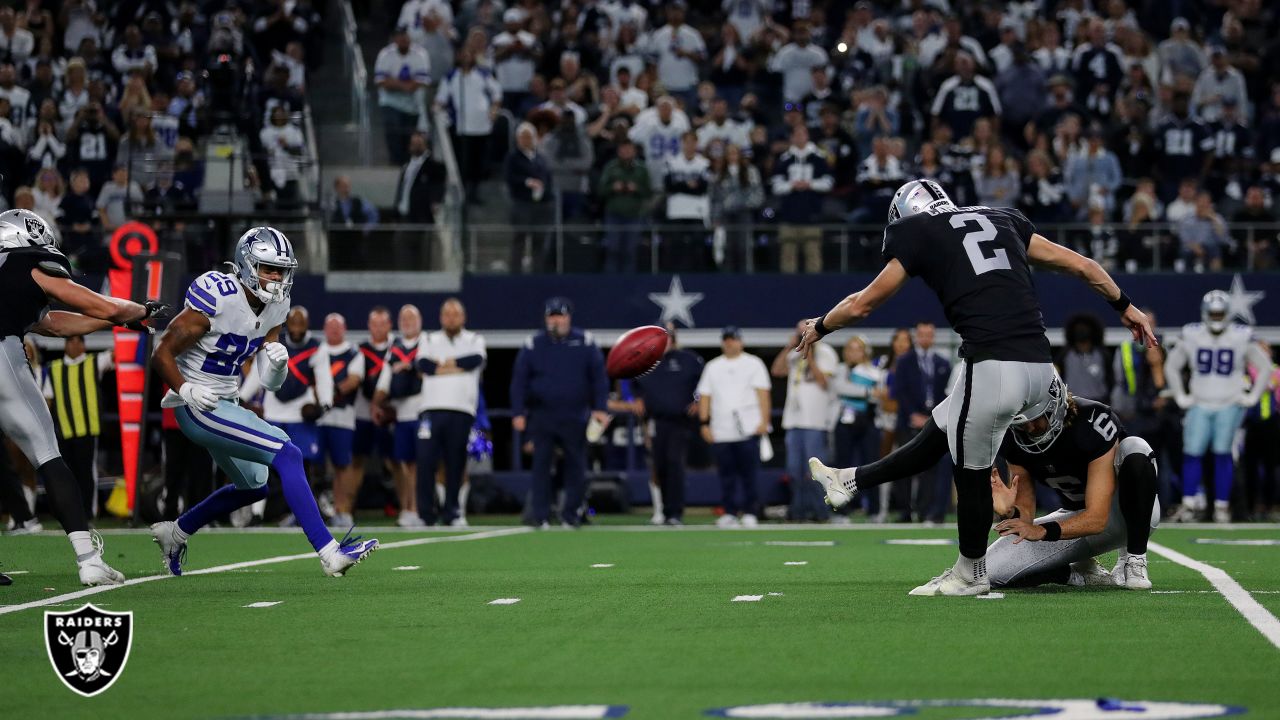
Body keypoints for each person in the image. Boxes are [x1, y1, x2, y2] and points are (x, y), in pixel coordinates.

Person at [800, 179, 1156, 596]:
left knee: (967, 467)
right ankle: (851, 480)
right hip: (1042, 369)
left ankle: (970, 573)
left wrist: (820, 325)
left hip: (991, 362)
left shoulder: (918, 230)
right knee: (945, 423)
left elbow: (863, 303)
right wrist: (1125, 306)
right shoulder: (1003, 218)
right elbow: (1083, 266)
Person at [149, 227, 377, 577]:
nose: (276, 278)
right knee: (288, 454)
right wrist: (185, 388)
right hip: (197, 403)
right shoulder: (218, 296)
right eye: (268, 269)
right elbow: (161, 353)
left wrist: (277, 363)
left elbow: (271, 382)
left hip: (225, 399)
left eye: (281, 271)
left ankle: (175, 532)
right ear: (245, 265)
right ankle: (330, 553)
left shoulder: (277, 306)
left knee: (255, 486)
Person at [0, 208, 161, 585]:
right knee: (48, 455)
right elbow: (90, 302)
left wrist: (117, 320)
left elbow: (52, 323)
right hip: (2, 358)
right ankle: (88, 559)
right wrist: (136, 309)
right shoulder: (31, 260)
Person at [987, 375, 1160, 590]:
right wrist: (1008, 511)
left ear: (1056, 405)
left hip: (1125, 515)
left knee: (1135, 448)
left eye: (1036, 418)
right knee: (990, 572)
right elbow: (1026, 517)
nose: (1030, 428)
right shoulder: (1014, 436)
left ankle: (1135, 557)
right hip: (1075, 518)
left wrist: (1043, 532)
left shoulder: (1092, 421)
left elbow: (1097, 519)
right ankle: (1077, 574)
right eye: (1022, 422)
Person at [1165, 291, 1269, 523]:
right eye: (1213, 313)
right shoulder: (1192, 334)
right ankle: (1189, 504)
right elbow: (1172, 365)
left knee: (1223, 453)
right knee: (1192, 453)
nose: (1216, 317)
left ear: (1229, 313)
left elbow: (1265, 367)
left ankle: (1222, 506)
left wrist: (1252, 397)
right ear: (1204, 313)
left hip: (1228, 403)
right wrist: (1181, 395)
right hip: (1200, 402)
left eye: (1220, 313)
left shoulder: (1241, 336)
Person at [510, 297, 609, 528]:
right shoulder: (533, 344)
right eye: (551, 316)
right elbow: (519, 382)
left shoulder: (584, 341)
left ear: (568, 317)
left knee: (576, 466)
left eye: (560, 316)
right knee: (541, 466)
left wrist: (600, 408)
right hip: (542, 415)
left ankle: (571, 514)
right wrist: (518, 412)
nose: (556, 320)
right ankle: (540, 515)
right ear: (546, 319)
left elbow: (599, 379)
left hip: (575, 415)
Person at [415, 299, 486, 527]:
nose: (451, 318)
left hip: (461, 409)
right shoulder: (428, 338)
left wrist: (444, 365)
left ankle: (452, 512)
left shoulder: (474, 339)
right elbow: (424, 365)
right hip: (431, 409)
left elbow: (475, 360)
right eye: (447, 314)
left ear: (463, 317)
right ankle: (425, 514)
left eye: (456, 314)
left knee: (456, 462)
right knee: (426, 462)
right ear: (441, 317)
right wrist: (456, 367)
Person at [698, 326, 771, 528]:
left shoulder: (753, 364)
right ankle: (729, 512)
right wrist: (704, 423)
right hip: (721, 430)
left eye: (733, 339)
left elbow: (763, 393)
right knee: (726, 475)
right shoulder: (713, 366)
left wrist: (764, 421)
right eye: (727, 339)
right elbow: (705, 396)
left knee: (750, 474)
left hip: (748, 428)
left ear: (741, 342)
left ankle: (750, 512)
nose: (730, 343)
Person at [633, 323, 702, 526]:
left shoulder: (689, 360)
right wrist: (635, 398)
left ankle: (675, 513)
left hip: (680, 422)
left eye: (668, 336)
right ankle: (661, 512)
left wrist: (699, 401)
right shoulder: (645, 361)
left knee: (674, 464)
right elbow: (630, 383)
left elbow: (705, 383)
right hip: (655, 421)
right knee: (658, 466)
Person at [41, 334, 113, 519]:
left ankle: (88, 513)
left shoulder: (93, 362)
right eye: (69, 341)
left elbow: (116, 354)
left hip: (88, 430)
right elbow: (47, 401)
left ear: (83, 344)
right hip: (64, 430)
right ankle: (71, 513)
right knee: (68, 475)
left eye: (77, 341)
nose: (73, 345)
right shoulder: (54, 369)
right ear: (65, 345)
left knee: (86, 473)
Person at [372, 304, 431, 526]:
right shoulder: (395, 347)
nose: (407, 322)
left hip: (423, 410)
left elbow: (429, 369)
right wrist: (376, 404)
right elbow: (384, 381)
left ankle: (423, 508)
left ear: (420, 321)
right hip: (402, 413)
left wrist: (410, 366)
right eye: (403, 319)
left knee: (423, 463)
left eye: (411, 318)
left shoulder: (427, 342)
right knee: (404, 464)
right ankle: (408, 508)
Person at [772, 321, 837, 522]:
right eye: (799, 333)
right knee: (794, 471)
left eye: (805, 332)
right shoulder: (795, 352)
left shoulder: (826, 353)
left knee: (815, 473)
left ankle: (821, 513)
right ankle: (798, 513)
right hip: (793, 421)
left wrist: (811, 352)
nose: (803, 335)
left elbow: (823, 381)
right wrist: (789, 347)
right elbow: (777, 370)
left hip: (815, 421)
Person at [889, 321, 952, 524]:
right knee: (904, 464)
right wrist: (912, 414)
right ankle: (905, 510)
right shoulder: (905, 361)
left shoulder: (943, 363)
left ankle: (925, 509)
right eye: (922, 334)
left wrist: (933, 416)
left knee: (930, 466)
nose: (925, 338)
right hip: (908, 420)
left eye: (929, 335)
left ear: (933, 337)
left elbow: (946, 394)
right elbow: (900, 391)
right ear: (917, 336)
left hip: (932, 420)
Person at [829, 335, 886, 521]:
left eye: (857, 349)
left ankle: (874, 511)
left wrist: (871, 393)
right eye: (850, 349)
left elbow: (882, 396)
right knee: (841, 467)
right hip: (844, 424)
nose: (853, 353)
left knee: (872, 466)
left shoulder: (874, 371)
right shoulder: (840, 369)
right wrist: (867, 391)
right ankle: (841, 511)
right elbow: (840, 388)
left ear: (864, 352)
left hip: (868, 422)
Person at [317, 313, 364, 529]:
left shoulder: (353, 352)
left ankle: (343, 510)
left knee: (342, 465)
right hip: (318, 419)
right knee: (315, 467)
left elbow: (353, 381)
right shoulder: (318, 352)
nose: (334, 330)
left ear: (344, 329)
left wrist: (328, 394)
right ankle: (315, 512)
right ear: (325, 330)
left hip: (342, 418)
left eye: (338, 327)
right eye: (330, 327)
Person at [351, 306, 395, 519]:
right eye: (374, 324)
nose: (378, 328)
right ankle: (349, 506)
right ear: (369, 326)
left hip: (390, 412)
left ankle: (395, 502)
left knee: (393, 460)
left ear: (389, 325)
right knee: (357, 459)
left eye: (382, 323)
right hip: (364, 412)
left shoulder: (397, 348)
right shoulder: (359, 350)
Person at [771, 124, 833, 274]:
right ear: (792, 138)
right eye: (796, 134)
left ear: (807, 136)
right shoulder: (784, 159)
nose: (800, 137)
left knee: (813, 258)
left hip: (812, 215)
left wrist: (809, 184)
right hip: (788, 216)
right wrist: (792, 185)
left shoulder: (818, 158)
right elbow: (776, 185)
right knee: (787, 259)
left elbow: (828, 183)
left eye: (802, 134)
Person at [374, 26, 431, 165]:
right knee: (393, 132)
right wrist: (405, 85)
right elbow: (381, 81)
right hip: (390, 102)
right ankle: (394, 163)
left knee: (409, 138)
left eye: (405, 36)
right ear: (394, 39)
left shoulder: (420, 54)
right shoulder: (385, 54)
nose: (403, 39)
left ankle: (407, 165)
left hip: (413, 105)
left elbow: (421, 82)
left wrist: (394, 82)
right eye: (400, 36)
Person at [505, 122, 554, 274]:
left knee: (539, 240)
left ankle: (537, 273)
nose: (526, 140)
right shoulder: (513, 158)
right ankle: (516, 273)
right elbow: (510, 177)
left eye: (529, 137)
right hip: (522, 203)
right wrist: (527, 182)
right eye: (523, 137)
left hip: (541, 205)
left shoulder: (540, 158)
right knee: (519, 239)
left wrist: (545, 192)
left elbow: (547, 178)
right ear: (518, 139)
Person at [598, 139, 652, 273]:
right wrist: (613, 187)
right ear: (619, 151)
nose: (626, 152)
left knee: (630, 251)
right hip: (613, 215)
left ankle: (629, 286)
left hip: (634, 215)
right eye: (623, 149)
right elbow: (600, 191)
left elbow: (648, 192)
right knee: (613, 249)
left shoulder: (642, 168)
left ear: (634, 151)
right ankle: (610, 284)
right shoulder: (611, 167)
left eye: (629, 149)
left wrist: (636, 188)